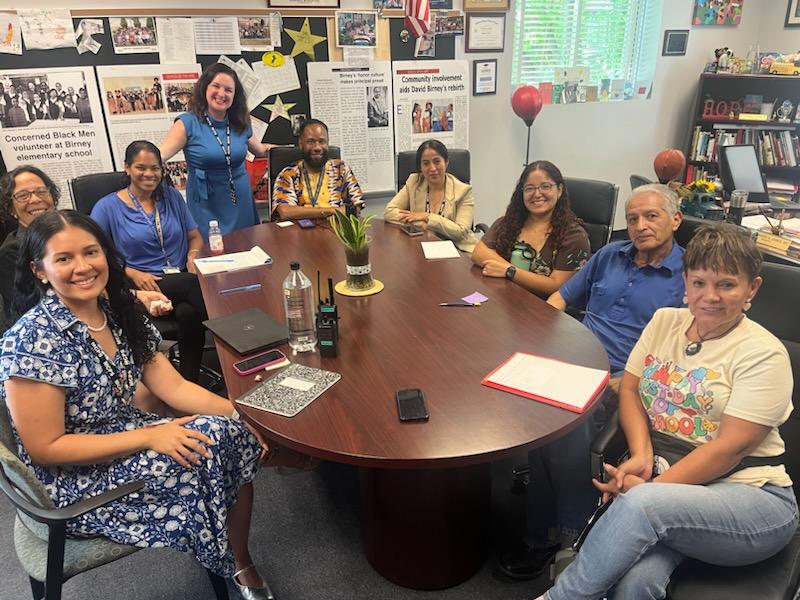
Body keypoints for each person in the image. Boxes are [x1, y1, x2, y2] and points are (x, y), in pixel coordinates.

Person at [2, 210, 276, 599]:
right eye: (63, 259)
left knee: (230, 434)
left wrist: (240, 416)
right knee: (211, 447)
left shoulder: (116, 313)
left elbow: (175, 387)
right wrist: (151, 438)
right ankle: (225, 554)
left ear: (106, 257)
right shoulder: (32, 341)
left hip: (122, 432)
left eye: (91, 252)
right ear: (40, 270)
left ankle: (237, 559)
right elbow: (46, 448)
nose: (82, 267)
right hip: (75, 478)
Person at [539, 223, 798, 600]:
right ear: (685, 281)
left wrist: (649, 491)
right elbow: (629, 388)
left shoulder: (764, 354)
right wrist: (643, 456)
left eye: (726, 284)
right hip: (674, 491)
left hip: (751, 499)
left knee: (641, 506)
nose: (710, 297)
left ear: (751, 289)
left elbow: (729, 449)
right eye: (699, 283)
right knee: (634, 585)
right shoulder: (665, 322)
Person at [500, 184, 686, 581]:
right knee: (513, 387)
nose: (640, 226)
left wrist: (630, 381)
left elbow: (680, 353)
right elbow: (560, 298)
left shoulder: (688, 278)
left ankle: (560, 536)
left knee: (562, 421)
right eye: (633, 218)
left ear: (675, 219)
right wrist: (542, 335)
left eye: (651, 216)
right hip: (572, 359)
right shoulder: (608, 255)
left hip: (622, 379)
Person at [91, 141, 208, 383]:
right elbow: (93, 255)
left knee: (189, 313)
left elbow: (194, 237)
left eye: (155, 168)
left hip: (180, 280)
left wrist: (193, 256)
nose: (149, 174)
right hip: (139, 285)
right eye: (140, 167)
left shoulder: (172, 196)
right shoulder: (106, 207)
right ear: (127, 168)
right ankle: (236, 335)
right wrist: (131, 271)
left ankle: (188, 383)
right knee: (191, 286)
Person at [0, 165, 172, 331]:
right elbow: (43, 301)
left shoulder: (71, 230)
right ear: (10, 207)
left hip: (100, 315)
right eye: (23, 195)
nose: (36, 199)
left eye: (42, 191)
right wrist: (134, 296)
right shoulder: (11, 252)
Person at [160, 63, 279, 241]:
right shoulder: (187, 123)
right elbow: (159, 155)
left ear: (235, 95)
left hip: (240, 198)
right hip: (205, 202)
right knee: (211, 252)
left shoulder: (240, 122)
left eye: (228, 90)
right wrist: (136, 164)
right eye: (216, 86)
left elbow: (260, 149)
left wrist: (295, 150)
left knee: (246, 249)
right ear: (205, 88)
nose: (221, 94)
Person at [471, 160, 589, 298]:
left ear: (559, 190)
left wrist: (510, 271)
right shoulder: (509, 222)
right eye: (529, 188)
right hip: (504, 299)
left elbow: (558, 287)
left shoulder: (574, 236)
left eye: (545, 186)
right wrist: (507, 269)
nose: (537, 194)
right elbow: (479, 253)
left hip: (544, 311)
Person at [384, 140, 477, 252]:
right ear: (420, 167)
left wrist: (428, 217)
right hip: (421, 246)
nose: (432, 168)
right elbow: (389, 212)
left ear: (446, 162)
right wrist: (422, 224)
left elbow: (461, 232)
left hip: (457, 249)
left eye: (437, 161)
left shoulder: (463, 191)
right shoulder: (414, 182)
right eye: (426, 163)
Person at [272, 119, 364, 221]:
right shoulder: (288, 174)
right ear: (301, 143)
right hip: (299, 233)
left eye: (322, 141)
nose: (317, 147)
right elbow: (285, 211)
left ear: (327, 143)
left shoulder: (341, 169)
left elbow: (356, 208)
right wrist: (331, 211)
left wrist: (301, 212)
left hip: (336, 232)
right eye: (310, 142)